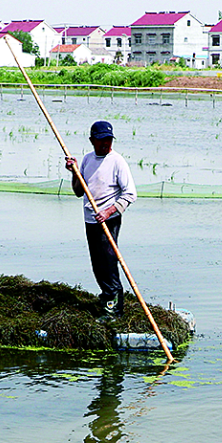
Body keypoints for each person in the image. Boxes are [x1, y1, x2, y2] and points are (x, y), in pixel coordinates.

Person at [64, 120, 136, 319]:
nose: (106, 143)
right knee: (97, 263)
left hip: (109, 219)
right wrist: (75, 172)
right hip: (90, 218)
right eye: (101, 139)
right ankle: (107, 301)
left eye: (108, 140)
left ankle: (115, 310)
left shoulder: (117, 161)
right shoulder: (87, 160)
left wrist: (109, 211)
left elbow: (130, 194)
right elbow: (79, 192)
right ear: (92, 140)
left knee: (108, 260)